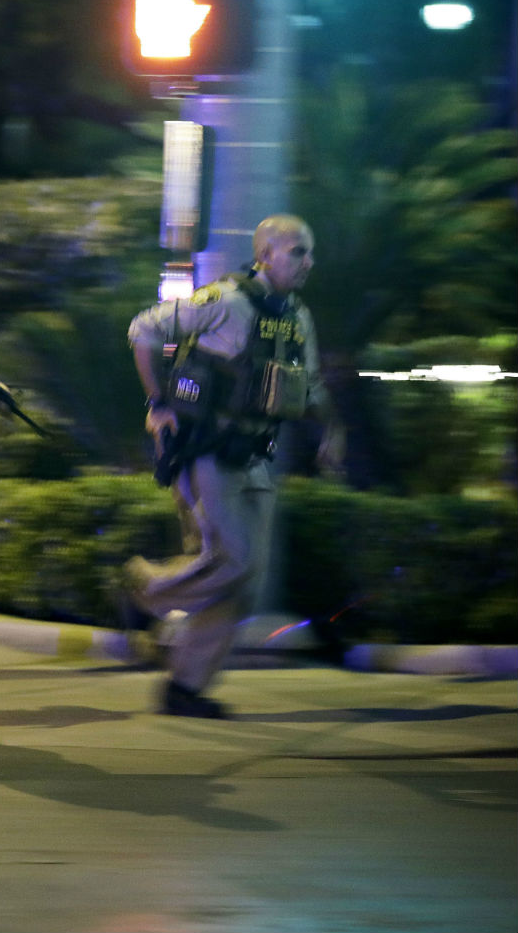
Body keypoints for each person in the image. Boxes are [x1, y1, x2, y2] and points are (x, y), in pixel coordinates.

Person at [125, 214, 344, 719]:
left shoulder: (296, 316)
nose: (309, 262)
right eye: (298, 251)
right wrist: (157, 402)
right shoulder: (226, 300)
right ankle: (143, 590)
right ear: (265, 254)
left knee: (247, 579)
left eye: (309, 253)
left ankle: (186, 687)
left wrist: (333, 429)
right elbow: (144, 330)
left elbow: (309, 386)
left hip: (254, 458)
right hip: (206, 453)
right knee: (235, 559)